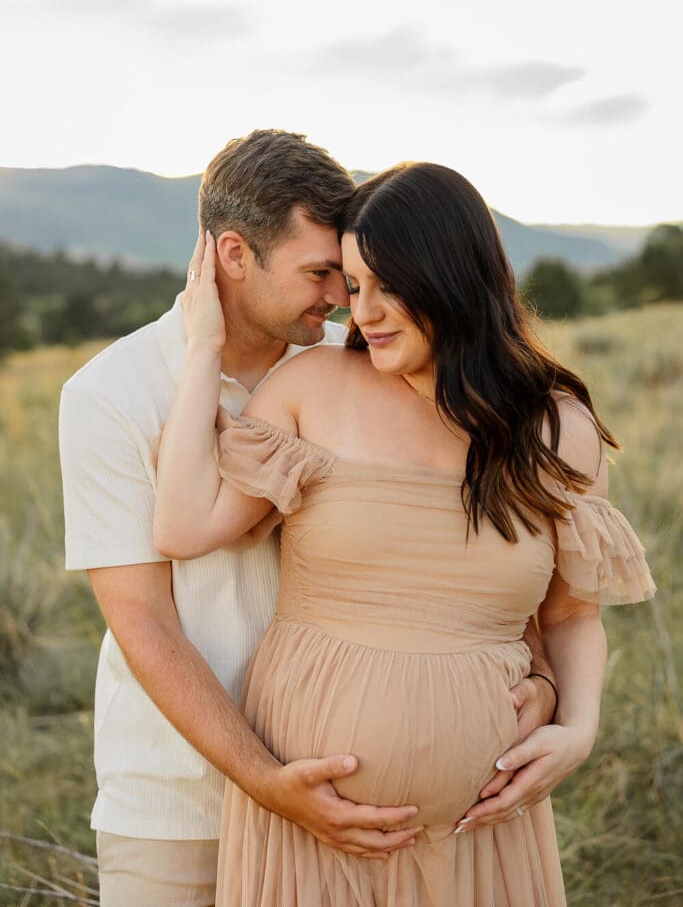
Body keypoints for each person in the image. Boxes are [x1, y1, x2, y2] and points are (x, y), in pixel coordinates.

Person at [59, 133, 558, 907]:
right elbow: (145, 626)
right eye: (321, 273)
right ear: (233, 254)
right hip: (183, 802)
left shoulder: (367, 361)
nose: (340, 298)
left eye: (352, 275)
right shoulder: (112, 395)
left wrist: (539, 673)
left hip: (358, 793)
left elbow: (462, 538)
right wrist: (268, 783)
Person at [154, 161, 655, 906]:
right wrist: (202, 347)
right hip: (310, 822)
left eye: (390, 287)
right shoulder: (312, 389)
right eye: (353, 287)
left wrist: (577, 730)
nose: (365, 313)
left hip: (481, 829)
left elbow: (570, 614)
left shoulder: (556, 431)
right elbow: (183, 526)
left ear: (454, 278)